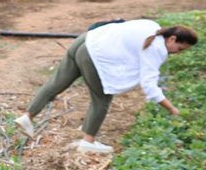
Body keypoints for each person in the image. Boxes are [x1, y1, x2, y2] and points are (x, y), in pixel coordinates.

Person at [14, 21, 197, 154]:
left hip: (86, 40)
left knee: (56, 83)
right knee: (102, 99)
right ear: (172, 39)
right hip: (95, 54)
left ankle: (27, 116)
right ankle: (88, 141)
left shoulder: (151, 26)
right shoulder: (157, 49)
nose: (177, 53)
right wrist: (172, 109)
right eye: (180, 49)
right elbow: (149, 84)